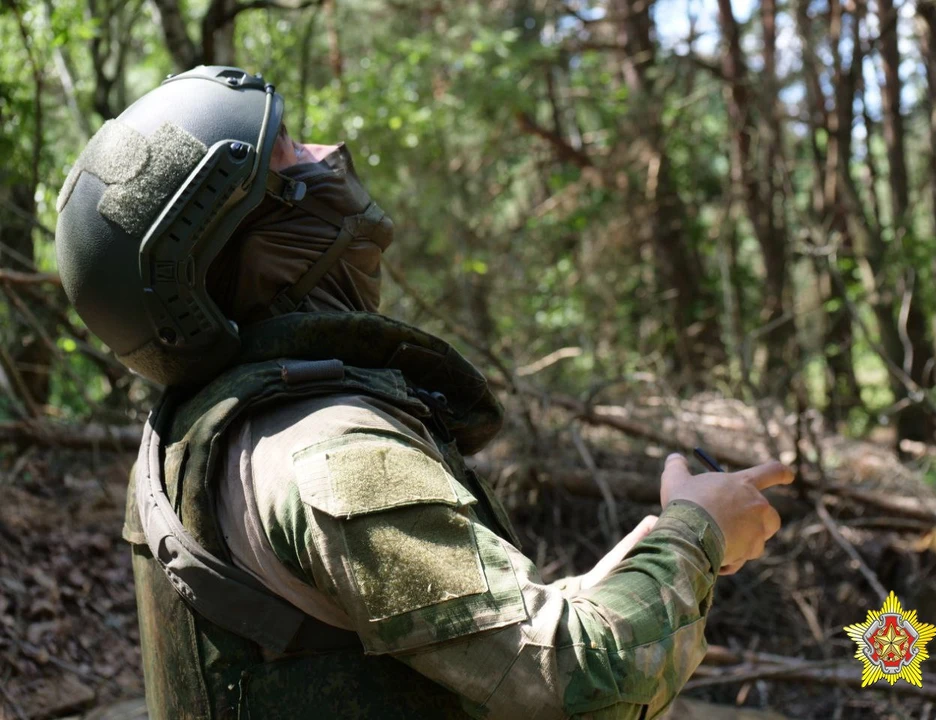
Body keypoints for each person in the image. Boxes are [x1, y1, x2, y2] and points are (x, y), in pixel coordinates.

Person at [54, 66, 793, 719]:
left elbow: (452, 641)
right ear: (248, 242)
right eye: (291, 155)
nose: (327, 155)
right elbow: (574, 685)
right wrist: (699, 536)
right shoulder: (332, 449)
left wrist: (658, 544)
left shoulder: (198, 435)